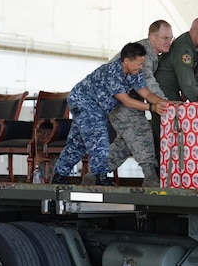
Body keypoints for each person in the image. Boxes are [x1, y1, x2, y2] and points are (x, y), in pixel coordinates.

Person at [52, 42, 168, 186]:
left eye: (142, 63)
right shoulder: (112, 72)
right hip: (83, 102)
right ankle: (99, 179)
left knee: (78, 143)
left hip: (98, 109)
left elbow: (146, 93)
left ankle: (58, 176)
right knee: (99, 137)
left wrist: (166, 103)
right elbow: (126, 101)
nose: (141, 67)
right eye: (138, 64)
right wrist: (152, 108)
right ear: (126, 61)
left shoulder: (134, 73)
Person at [106, 20, 173, 187]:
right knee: (140, 129)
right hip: (117, 98)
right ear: (151, 36)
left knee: (125, 141)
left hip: (125, 98)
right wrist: (168, 105)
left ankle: (94, 174)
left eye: (170, 38)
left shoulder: (152, 53)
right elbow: (149, 85)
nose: (168, 42)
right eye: (164, 37)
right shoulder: (144, 53)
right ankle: (150, 178)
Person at [155, 17, 198, 101]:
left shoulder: (191, 43)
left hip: (171, 91)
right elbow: (188, 84)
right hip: (164, 94)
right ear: (193, 32)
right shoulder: (183, 51)